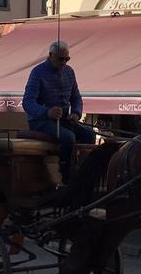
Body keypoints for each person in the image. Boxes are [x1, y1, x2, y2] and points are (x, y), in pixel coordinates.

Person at [22, 40, 95, 183]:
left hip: (63, 120)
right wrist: (46, 112)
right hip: (40, 122)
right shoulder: (37, 73)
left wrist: (76, 113)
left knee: (90, 134)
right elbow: (27, 102)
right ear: (50, 55)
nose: (64, 62)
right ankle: (65, 178)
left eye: (67, 59)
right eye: (61, 59)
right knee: (68, 137)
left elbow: (76, 97)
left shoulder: (69, 72)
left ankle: (86, 175)